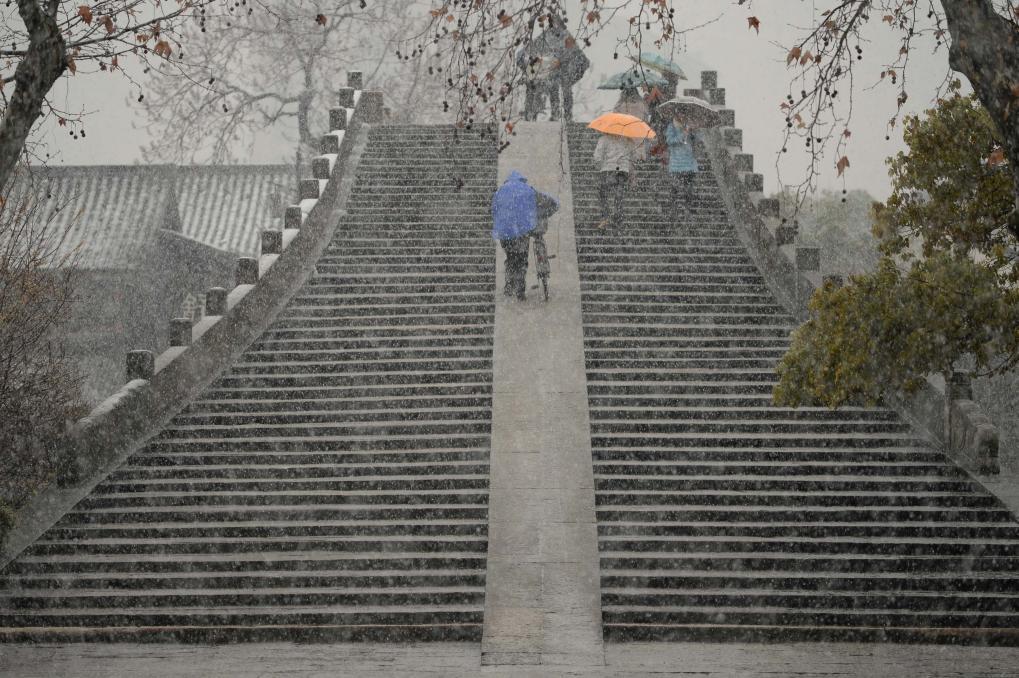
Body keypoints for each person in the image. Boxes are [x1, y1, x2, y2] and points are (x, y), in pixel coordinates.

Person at [491, 171, 559, 300]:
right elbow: (547, 201)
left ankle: (509, 287)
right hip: (521, 231)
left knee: (510, 258)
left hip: (506, 232)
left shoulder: (500, 192)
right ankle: (520, 291)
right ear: (522, 180)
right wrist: (549, 210)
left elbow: (493, 211)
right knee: (521, 260)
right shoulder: (527, 190)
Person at [592, 132, 647, 228]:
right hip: (622, 172)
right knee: (619, 195)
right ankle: (618, 218)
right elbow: (634, 157)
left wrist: (599, 166)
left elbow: (597, 156)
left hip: (607, 170)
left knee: (603, 193)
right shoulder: (628, 140)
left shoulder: (604, 139)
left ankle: (605, 217)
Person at [661, 114, 700, 219]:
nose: (682, 116)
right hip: (676, 164)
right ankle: (673, 212)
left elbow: (698, 141)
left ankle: (688, 212)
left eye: (684, 114)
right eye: (680, 114)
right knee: (674, 190)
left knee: (689, 190)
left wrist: (694, 131)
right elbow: (670, 141)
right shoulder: (672, 126)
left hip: (689, 164)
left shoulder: (689, 125)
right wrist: (683, 134)